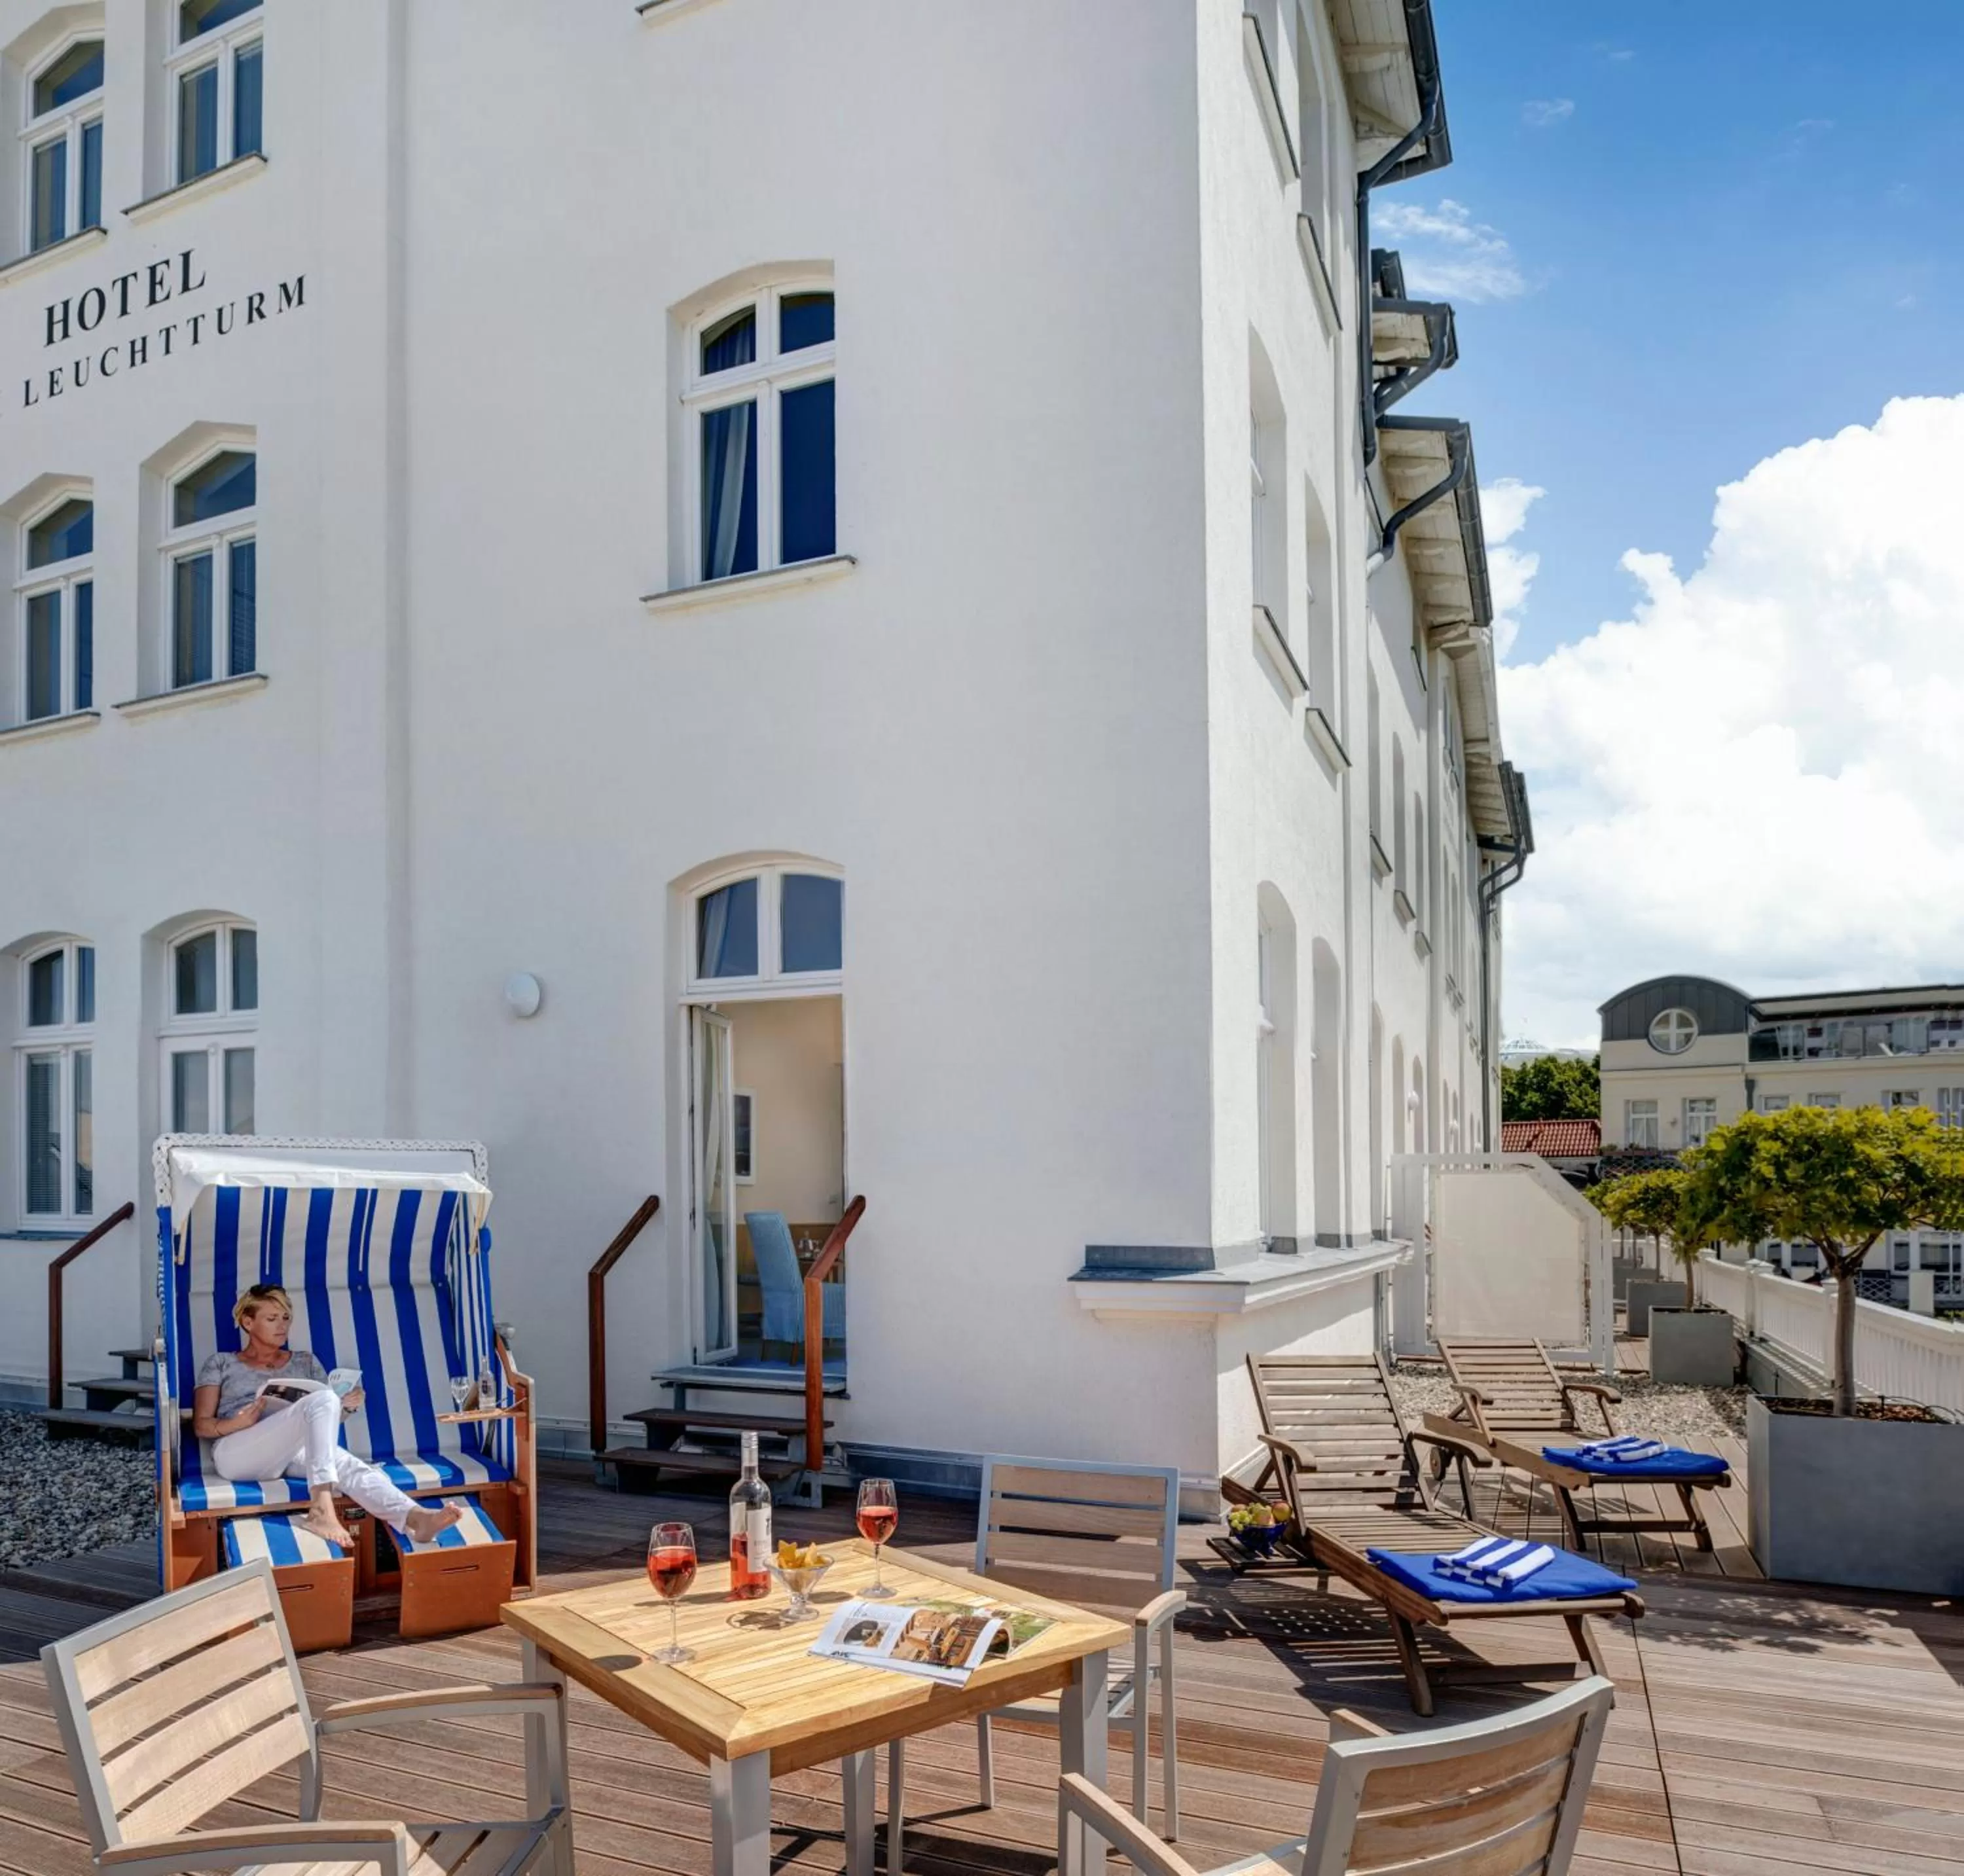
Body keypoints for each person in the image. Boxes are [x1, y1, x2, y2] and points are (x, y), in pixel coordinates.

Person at [191, 1283, 462, 1551]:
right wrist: (237, 1423)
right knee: (325, 1403)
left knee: (347, 1463)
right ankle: (321, 1508)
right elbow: (201, 1426)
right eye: (272, 1319)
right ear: (248, 1322)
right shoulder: (222, 1363)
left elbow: (324, 1417)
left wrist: (347, 1407)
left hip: (290, 1452)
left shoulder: (305, 1362)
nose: (282, 1326)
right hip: (237, 1453)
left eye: (286, 1318)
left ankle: (416, 1518)